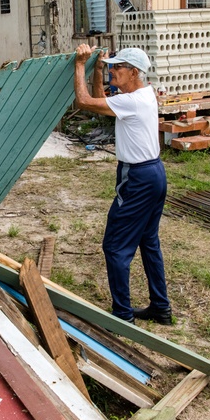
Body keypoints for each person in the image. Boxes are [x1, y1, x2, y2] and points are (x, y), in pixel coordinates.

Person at [73, 44, 171, 325]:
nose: (113, 71)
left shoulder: (132, 102)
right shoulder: (143, 95)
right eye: (112, 66)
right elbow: (99, 97)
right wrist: (99, 69)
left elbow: (83, 101)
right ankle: (160, 307)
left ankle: (122, 316)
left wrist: (80, 64)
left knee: (115, 247)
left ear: (134, 72)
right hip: (154, 174)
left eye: (118, 67)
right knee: (148, 241)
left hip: (137, 178)